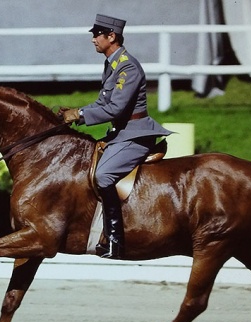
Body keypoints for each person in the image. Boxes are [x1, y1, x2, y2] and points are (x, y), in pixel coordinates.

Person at [62, 14, 172, 260]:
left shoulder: (127, 67)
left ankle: (115, 240)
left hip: (135, 134)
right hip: (120, 133)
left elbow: (115, 109)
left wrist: (79, 114)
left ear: (111, 36)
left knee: (103, 175)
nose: (93, 40)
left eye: (96, 34)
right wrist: (76, 114)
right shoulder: (112, 64)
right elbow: (103, 102)